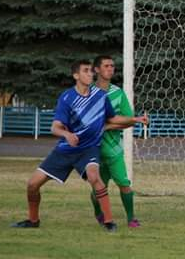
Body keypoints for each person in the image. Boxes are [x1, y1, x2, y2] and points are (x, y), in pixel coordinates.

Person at [12, 59, 149, 231]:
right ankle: (33, 221)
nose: (90, 74)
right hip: (65, 149)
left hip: (89, 149)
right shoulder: (67, 97)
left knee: (95, 178)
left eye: (91, 71)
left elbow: (112, 119)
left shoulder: (100, 97)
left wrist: (135, 119)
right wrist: (66, 134)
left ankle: (108, 222)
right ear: (76, 75)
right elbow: (55, 127)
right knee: (32, 184)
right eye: (86, 71)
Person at [89, 55, 141, 228]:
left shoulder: (117, 93)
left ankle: (131, 218)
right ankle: (98, 213)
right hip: (92, 149)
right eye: (106, 66)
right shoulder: (87, 92)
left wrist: (107, 126)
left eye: (112, 66)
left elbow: (129, 119)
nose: (110, 69)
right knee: (98, 187)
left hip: (113, 149)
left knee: (123, 183)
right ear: (96, 69)